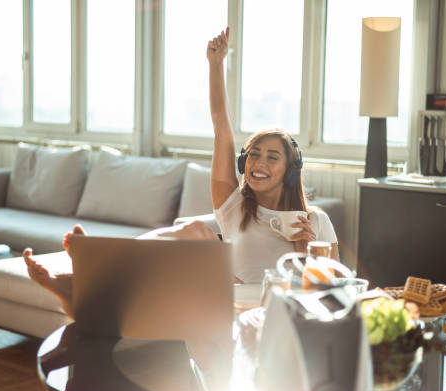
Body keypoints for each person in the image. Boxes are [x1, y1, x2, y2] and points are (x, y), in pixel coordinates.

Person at [207, 27, 339, 283]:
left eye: (272, 157)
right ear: (244, 163)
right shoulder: (232, 207)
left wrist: (309, 253)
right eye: (254, 154)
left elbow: (336, 294)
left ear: (290, 170)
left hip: (290, 315)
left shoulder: (317, 221)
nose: (259, 162)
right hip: (238, 312)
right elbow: (220, 126)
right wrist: (215, 65)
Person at [23, 221, 219, 319]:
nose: (251, 162)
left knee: (199, 235)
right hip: (222, 247)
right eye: (250, 155)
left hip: (231, 265)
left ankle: (81, 278)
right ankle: (84, 276)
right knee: (197, 229)